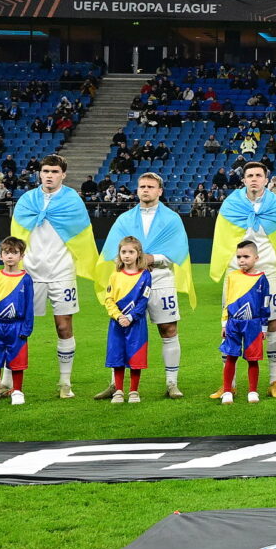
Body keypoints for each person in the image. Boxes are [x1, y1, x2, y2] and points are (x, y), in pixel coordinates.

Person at [12, 155, 102, 402]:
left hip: (62, 273)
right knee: (18, 328)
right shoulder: (27, 200)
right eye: (45, 171)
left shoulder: (72, 201)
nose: (48, 175)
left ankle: (65, 382)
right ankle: (9, 380)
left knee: (63, 327)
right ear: (39, 174)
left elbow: (83, 236)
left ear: (63, 174)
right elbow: (16, 236)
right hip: (30, 273)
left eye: (54, 171)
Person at [101, 171, 191, 399]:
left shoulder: (172, 219)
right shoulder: (125, 219)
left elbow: (177, 252)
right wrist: (130, 264)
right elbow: (114, 250)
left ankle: (172, 383)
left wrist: (152, 259)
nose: (145, 190)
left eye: (150, 187)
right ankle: (116, 384)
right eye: (142, 186)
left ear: (160, 191)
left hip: (161, 279)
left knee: (168, 329)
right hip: (129, 283)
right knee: (122, 328)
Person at [214, 161, 276, 397]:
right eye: (250, 175)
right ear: (243, 179)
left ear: (266, 179)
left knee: (273, 324)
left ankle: (274, 381)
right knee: (230, 325)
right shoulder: (232, 204)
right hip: (236, 275)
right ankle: (229, 384)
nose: (254, 179)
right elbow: (222, 236)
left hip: (267, 273)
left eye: (258, 175)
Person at [100, 235, 157, 404]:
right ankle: (118, 391)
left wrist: (131, 317)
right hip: (117, 324)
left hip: (136, 324)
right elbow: (108, 299)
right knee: (117, 355)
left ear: (138, 254)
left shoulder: (145, 275)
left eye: (131, 252)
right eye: (123, 252)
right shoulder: (115, 276)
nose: (127, 255)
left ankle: (133, 391)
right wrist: (118, 316)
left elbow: (143, 300)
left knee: (135, 357)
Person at [216, 240, 275, 404]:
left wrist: (264, 326)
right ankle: (228, 391)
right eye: (239, 257)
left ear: (256, 258)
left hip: (254, 325)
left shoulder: (262, 279)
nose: (242, 260)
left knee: (252, 359)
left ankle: (253, 391)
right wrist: (224, 323)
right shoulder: (232, 277)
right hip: (233, 324)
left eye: (246, 256)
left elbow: (265, 303)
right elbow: (226, 302)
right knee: (231, 357)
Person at [0, 236, 35, 406]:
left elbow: (29, 306)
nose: (10, 256)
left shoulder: (26, 279)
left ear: (21, 256)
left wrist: (26, 328)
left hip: (16, 326)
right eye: (6, 252)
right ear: (0, 256)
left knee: (17, 360)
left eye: (14, 253)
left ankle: (17, 391)